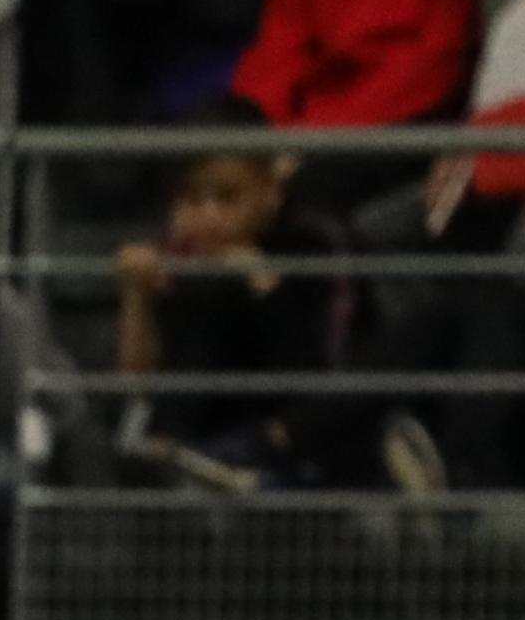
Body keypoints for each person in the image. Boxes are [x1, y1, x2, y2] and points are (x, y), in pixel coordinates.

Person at [113, 137, 371, 490]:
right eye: (192, 200)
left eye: (227, 198)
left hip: (280, 447)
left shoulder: (310, 245)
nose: (209, 216)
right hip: (185, 448)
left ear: (269, 193)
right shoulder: (173, 260)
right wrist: (136, 296)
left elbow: (313, 378)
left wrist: (263, 283)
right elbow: (136, 384)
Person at [233, 0, 504, 130]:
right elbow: (279, 49)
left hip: (415, 123)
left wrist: (319, 135)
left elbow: (437, 61)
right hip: (320, 122)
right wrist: (248, 132)